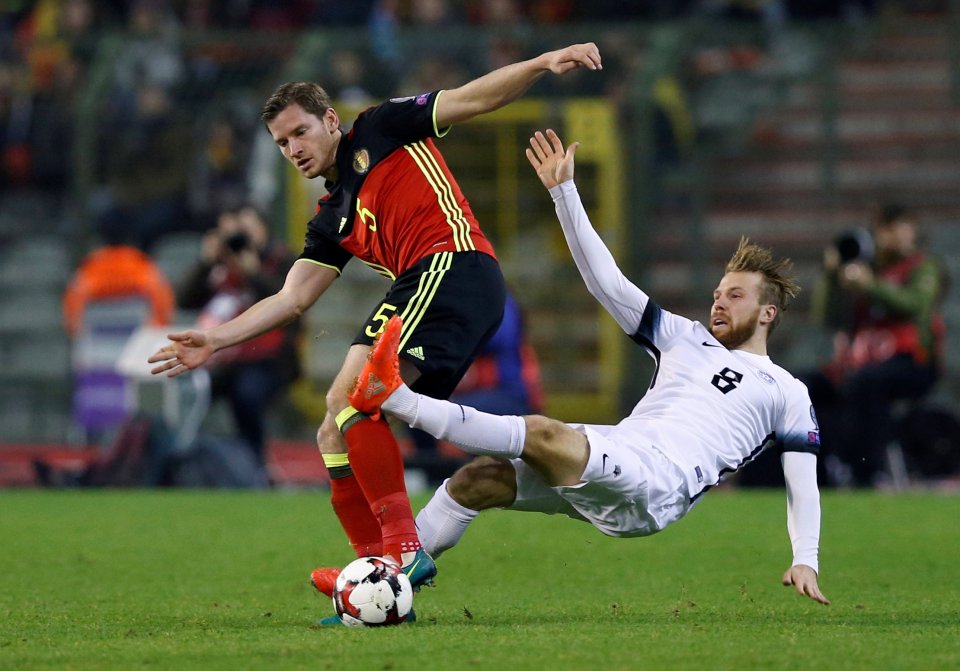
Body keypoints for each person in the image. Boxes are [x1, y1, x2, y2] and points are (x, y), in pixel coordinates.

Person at [147, 44, 604, 612]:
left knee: (357, 396)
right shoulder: (331, 216)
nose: (293, 150)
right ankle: (380, 571)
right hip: (425, 283)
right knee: (334, 425)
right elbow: (292, 297)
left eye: (300, 133)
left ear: (331, 121)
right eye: (282, 143)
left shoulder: (382, 128)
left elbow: (472, 99)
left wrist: (541, 63)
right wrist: (215, 339)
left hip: (453, 263)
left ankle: (402, 550)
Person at [350, 129, 830, 606]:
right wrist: (564, 193)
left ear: (768, 313)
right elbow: (607, 283)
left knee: (540, 432)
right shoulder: (684, 337)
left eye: (736, 296)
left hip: (660, 482)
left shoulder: (786, 391)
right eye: (718, 294)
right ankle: (390, 579)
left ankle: (395, 397)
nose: (719, 304)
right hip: (622, 451)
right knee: (476, 481)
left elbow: (802, 480)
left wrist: (805, 555)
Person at [805, 204, 946, 488]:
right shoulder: (860, 268)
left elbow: (914, 304)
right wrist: (831, 276)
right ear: (878, 232)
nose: (900, 236)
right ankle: (808, 474)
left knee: (868, 383)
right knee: (802, 386)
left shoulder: (922, 267)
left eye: (904, 227)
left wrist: (870, 286)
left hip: (913, 362)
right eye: (891, 229)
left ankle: (864, 473)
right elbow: (823, 317)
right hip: (862, 364)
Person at [174, 205, 301, 472]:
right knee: (183, 391)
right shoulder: (219, 267)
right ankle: (185, 460)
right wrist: (206, 262)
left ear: (263, 229)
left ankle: (254, 465)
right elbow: (184, 299)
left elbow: (290, 303)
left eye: (246, 229)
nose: (238, 238)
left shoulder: (281, 259)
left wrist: (253, 272)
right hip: (221, 358)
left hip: (268, 359)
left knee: (247, 393)